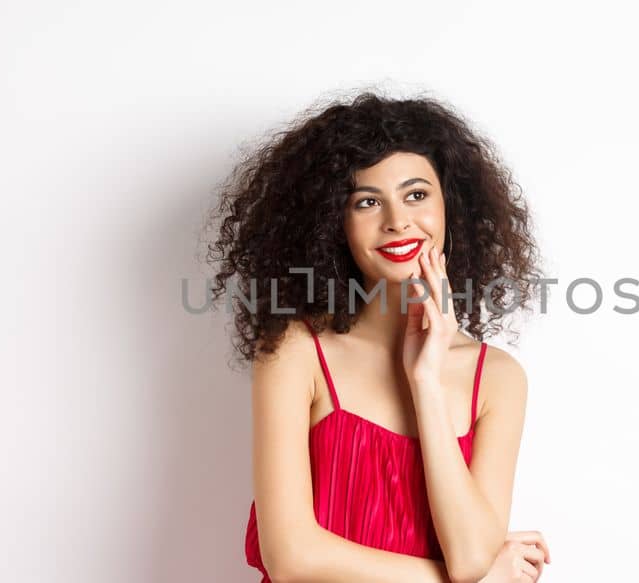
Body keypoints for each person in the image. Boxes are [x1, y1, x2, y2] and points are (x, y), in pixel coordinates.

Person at [209, 91, 551, 582]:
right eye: (368, 202)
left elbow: (474, 559)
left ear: (451, 206)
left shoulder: (496, 378)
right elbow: (290, 559)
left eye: (416, 194)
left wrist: (426, 382)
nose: (396, 221)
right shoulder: (295, 352)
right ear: (334, 224)